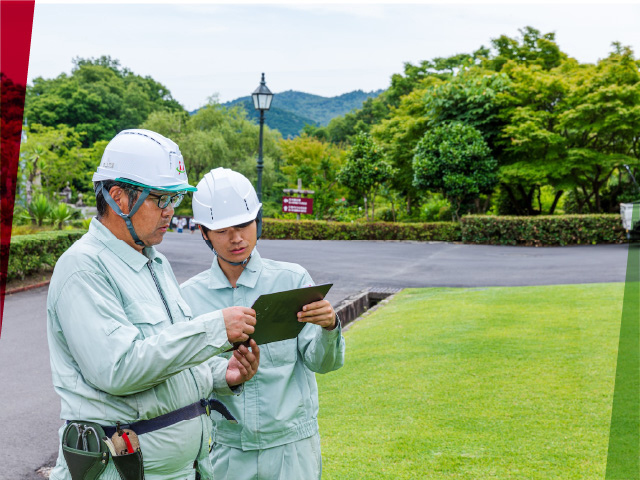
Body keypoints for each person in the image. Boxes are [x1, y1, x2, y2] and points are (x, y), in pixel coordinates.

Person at [46, 130, 260, 480]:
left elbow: (169, 359)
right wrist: (214, 329)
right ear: (118, 198)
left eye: (174, 199)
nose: (170, 212)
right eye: (160, 199)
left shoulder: (154, 262)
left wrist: (224, 374)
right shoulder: (83, 267)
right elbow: (119, 369)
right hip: (118, 470)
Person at [180, 167, 345, 480]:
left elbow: (323, 363)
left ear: (257, 220)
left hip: (292, 447)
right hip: (227, 451)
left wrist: (329, 328)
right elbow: (184, 376)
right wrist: (227, 374)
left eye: (244, 224)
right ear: (203, 232)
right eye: (223, 230)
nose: (237, 238)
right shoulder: (189, 297)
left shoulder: (291, 280)